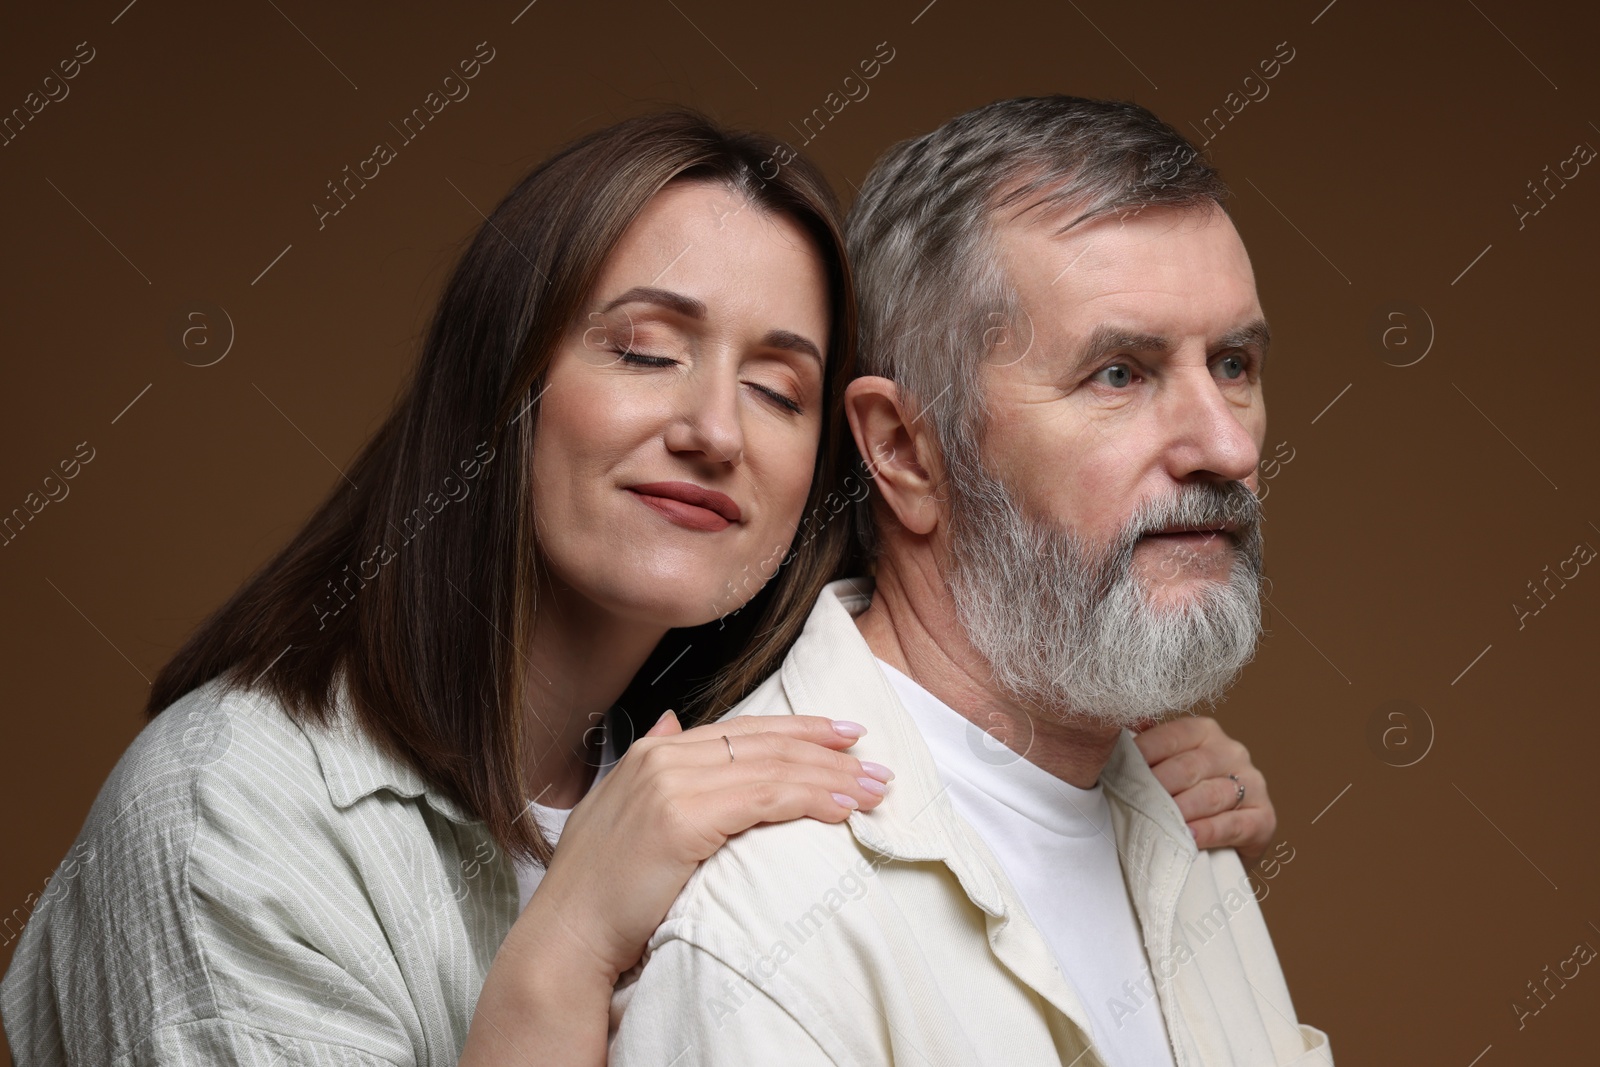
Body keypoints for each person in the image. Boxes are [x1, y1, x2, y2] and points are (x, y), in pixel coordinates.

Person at [1, 108, 1278, 1067]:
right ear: (502, 379)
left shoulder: (715, 749)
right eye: (646, 350)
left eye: (778, 388)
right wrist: (559, 954)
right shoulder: (229, 809)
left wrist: (1094, 763)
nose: (714, 429)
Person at [608, 97, 1333, 1066]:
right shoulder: (763, 919)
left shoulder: (1186, 821)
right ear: (906, 450)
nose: (1227, 443)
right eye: (1118, 373)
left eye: (1234, 363)